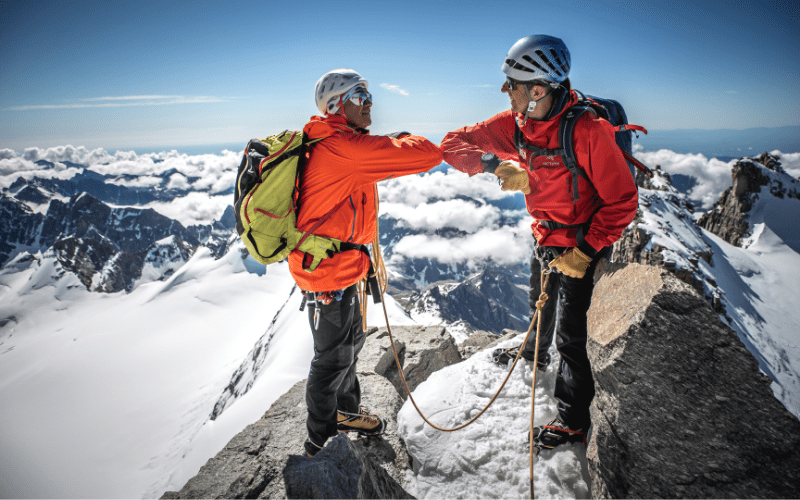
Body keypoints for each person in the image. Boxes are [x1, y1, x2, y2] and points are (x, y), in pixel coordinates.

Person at [440, 35, 637, 450]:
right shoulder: (518, 124)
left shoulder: (588, 130)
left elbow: (622, 201)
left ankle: (572, 419)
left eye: (511, 83)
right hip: (545, 236)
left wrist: (584, 254)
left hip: (582, 242)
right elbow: (452, 144)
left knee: (571, 334)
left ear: (537, 90)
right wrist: (494, 164)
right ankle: (534, 354)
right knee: (539, 301)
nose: (504, 90)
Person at [290, 68, 443, 457]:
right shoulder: (344, 149)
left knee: (351, 344)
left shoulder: (341, 144)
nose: (370, 102)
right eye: (361, 95)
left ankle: (346, 411)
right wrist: (397, 140)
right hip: (329, 274)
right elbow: (426, 153)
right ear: (338, 104)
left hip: (341, 267)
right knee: (332, 357)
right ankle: (319, 440)